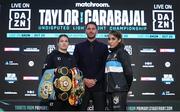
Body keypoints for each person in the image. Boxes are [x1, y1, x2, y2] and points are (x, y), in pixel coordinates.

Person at [73, 22, 109, 111]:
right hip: (82, 86)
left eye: (93, 29)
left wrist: (95, 80)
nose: (91, 31)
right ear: (85, 31)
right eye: (89, 29)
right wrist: (84, 79)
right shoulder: (78, 47)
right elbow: (74, 65)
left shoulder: (104, 47)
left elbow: (105, 66)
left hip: (99, 86)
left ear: (96, 31)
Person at [40, 34, 77, 111]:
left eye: (66, 41)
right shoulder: (52, 56)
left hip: (69, 95)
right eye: (61, 41)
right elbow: (44, 72)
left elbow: (76, 76)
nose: (64, 43)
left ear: (68, 44)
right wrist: (54, 70)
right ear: (58, 43)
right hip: (56, 95)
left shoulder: (72, 58)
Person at [105, 30, 133, 111]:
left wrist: (124, 86)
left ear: (119, 40)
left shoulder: (122, 52)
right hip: (109, 90)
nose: (110, 41)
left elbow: (129, 73)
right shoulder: (110, 54)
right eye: (109, 39)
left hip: (119, 91)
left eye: (113, 39)